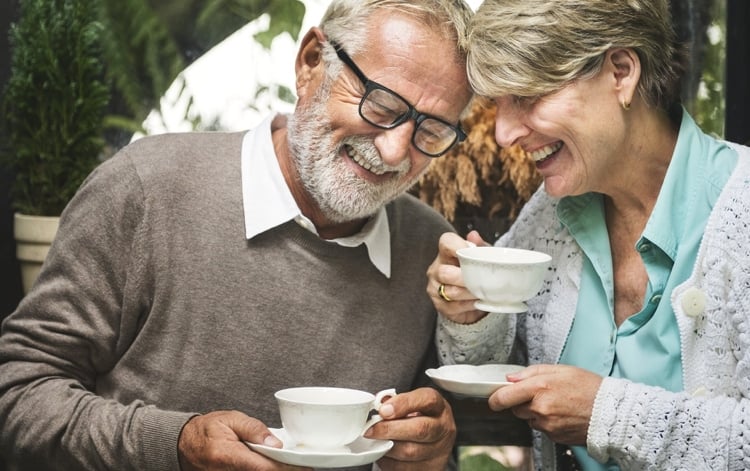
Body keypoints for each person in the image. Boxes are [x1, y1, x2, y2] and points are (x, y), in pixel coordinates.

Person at [0, 1, 475, 470]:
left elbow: (426, 439)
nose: (395, 151)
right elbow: (18, 393)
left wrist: (428, 457)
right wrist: (176, 444)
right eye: (381, 104)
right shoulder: (146, 188)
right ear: (311, 62)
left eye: (431, 132)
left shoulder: (428, 251)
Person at [426, 0, 750, 469]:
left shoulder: (740, 206)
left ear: (621, 71)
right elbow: (491, 363)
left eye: (527, 96)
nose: (502, 133)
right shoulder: (552, 212)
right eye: (498, 103)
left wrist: (608, 413)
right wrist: (473, 312)